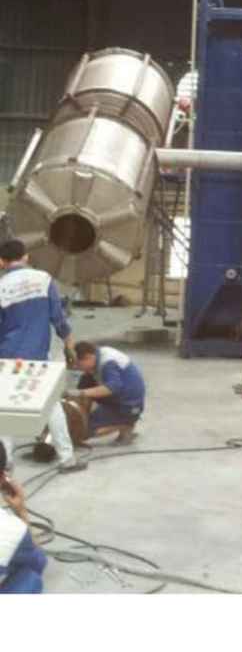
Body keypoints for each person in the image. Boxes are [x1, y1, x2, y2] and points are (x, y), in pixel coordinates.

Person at [0, 239, 85, 473]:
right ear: (26, 256)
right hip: (38, 357)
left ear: (2, 262)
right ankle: (67, 459)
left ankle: (5, 464)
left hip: (7, 357)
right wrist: (69, 344)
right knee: (51, 405)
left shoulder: (1, 287)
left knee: (5, 408)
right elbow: (58, 319)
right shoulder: (43, 279)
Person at [68, 342, 145, 445]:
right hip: (121, 396)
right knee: (85, 380)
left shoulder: (108, 363)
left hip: (129, 405)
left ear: (88, 357)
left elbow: (112, 387)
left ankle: (127, 425)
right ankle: (87, 415)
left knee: (82, 431)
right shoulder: (99, 354)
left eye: (79, 364)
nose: (77, 367)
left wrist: (81, 393)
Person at [0, 442, 48, 594]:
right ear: (3, 477)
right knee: (31, 578)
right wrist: (21, 510)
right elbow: (38, 560)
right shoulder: (11, 529)